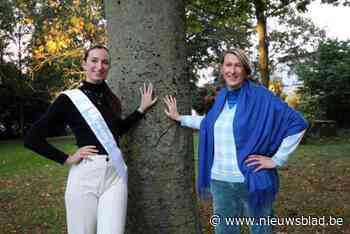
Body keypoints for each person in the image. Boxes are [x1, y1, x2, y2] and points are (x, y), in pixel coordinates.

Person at [163, 48, 308, 234]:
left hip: (252, 179)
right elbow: (210, 124)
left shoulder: (261, 96)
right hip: (220, 181)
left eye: (238, 65)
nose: (232, 70)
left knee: (261, 230)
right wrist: (180, 118)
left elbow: (297, 123)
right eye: (228, 65)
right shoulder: (222, 97)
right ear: (222, 69)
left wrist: (276, 160)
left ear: (246, 70)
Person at [24, 45, 157, 234]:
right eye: (94, 60)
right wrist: (66, 158)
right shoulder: (68, 99)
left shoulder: (110, 99)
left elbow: (117, 130)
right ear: (84, 64)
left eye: (105, 62)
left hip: (114, 177)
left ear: (109, 66)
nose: (99, 66)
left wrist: (140, 110)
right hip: (86, 176)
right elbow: (31, 138)